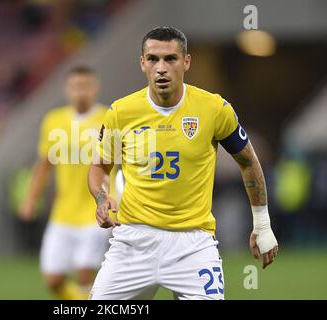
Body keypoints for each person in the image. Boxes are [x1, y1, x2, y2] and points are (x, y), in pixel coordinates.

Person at [88, 26, 278, 300]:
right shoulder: (121, 112)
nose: (161, 68)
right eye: (153, 59)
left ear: (186, 62)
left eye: (171, 59)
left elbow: (248, 161)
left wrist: (262, 224)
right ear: (143, 63)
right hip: (134, 242)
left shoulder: (214, 109)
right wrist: (102, 197)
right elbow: (98, 167)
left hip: (193, 245)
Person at [20, 66, 112, 300]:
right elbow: (44, 165)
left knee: (84, 274)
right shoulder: (54, 121)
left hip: (95, 211)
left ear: (95, 88)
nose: (81, 92)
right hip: (62, 213)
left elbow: (120, 164)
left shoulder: (108, 118)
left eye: (86, 86)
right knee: (53, 279)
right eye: (75, 86)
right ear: (66, 90)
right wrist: (31, 198)